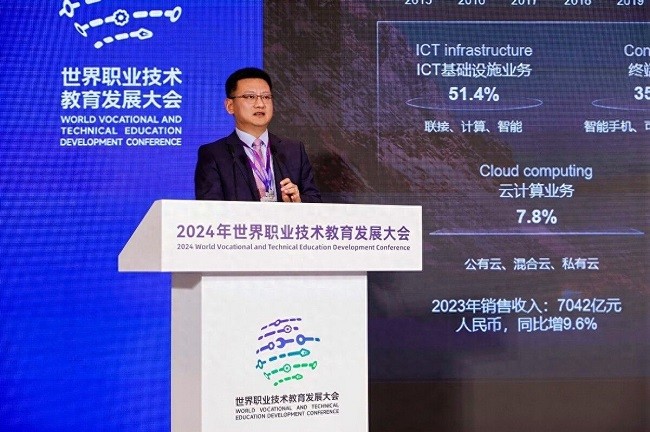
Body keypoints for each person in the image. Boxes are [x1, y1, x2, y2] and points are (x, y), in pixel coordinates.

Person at [194, 67, 321, 203]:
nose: (260, 104)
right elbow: (209, 208)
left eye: (266, 97)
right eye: (250, 97)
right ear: (230, 105)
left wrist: (298, 200)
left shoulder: (294, 151)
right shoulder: (214, 154)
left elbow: (316, 202)